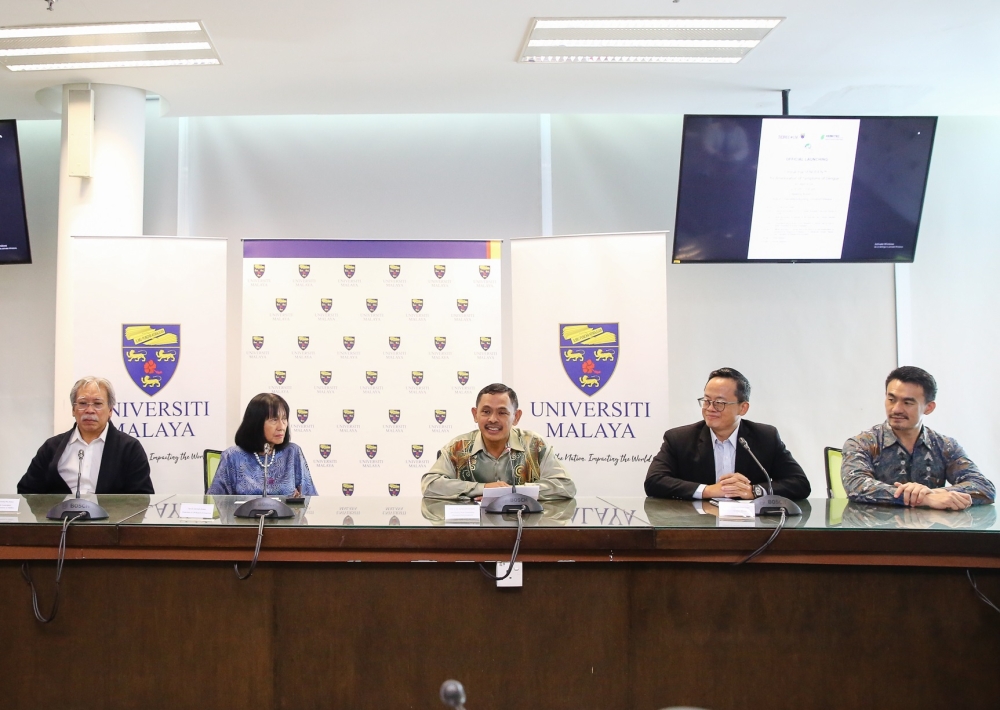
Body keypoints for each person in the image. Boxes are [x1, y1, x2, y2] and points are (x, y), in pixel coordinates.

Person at [644, 367, 810, 501]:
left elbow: (799, 484)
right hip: (698, 527)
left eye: (720, 403)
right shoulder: (679, 439)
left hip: (751, 529)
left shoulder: (765, 437)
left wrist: (754, 491)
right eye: (707, 400)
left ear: (742, 408)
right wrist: (708, 490)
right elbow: (654, 481)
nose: (710, 408)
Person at [841, 366, 995, 509]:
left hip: (930, 534)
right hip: (875, 534)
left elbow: (984, 487)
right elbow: (856, 486)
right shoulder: (862, 443)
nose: (896, 409)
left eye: (908, 402)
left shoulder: (945, 446)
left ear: (929, 408)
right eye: (891, 399)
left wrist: (932, 493)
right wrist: (924, 499)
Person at [421, 383, 576, 500]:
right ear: (475, 414)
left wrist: (510, 493)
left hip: (524, 531)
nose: (493, 419)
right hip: (471, 533)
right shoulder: (458, 447)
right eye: (486, 412)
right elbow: (430, 485)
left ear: (516, 417)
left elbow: (566, 487)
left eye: (502, 413)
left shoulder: (534, 444)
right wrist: (484, 488)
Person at [18, 376, 154, 495]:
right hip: (60, 522)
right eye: (82, 403)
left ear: (110, 410)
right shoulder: (51, 447)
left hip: (110, 523)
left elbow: (141, 497)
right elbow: (27, 491)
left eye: (98, 404)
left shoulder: (129, 448)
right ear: (73, 409)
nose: (89, 410)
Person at [207, 393, 318, 496]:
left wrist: (298, 503)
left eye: (284, 419)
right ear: (256, 423)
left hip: (285, 517)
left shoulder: (292, 452)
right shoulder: (232, 456)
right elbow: (215, 502)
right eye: (274, 420)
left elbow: (311, 499)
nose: (282, 426)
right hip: (242, 517)